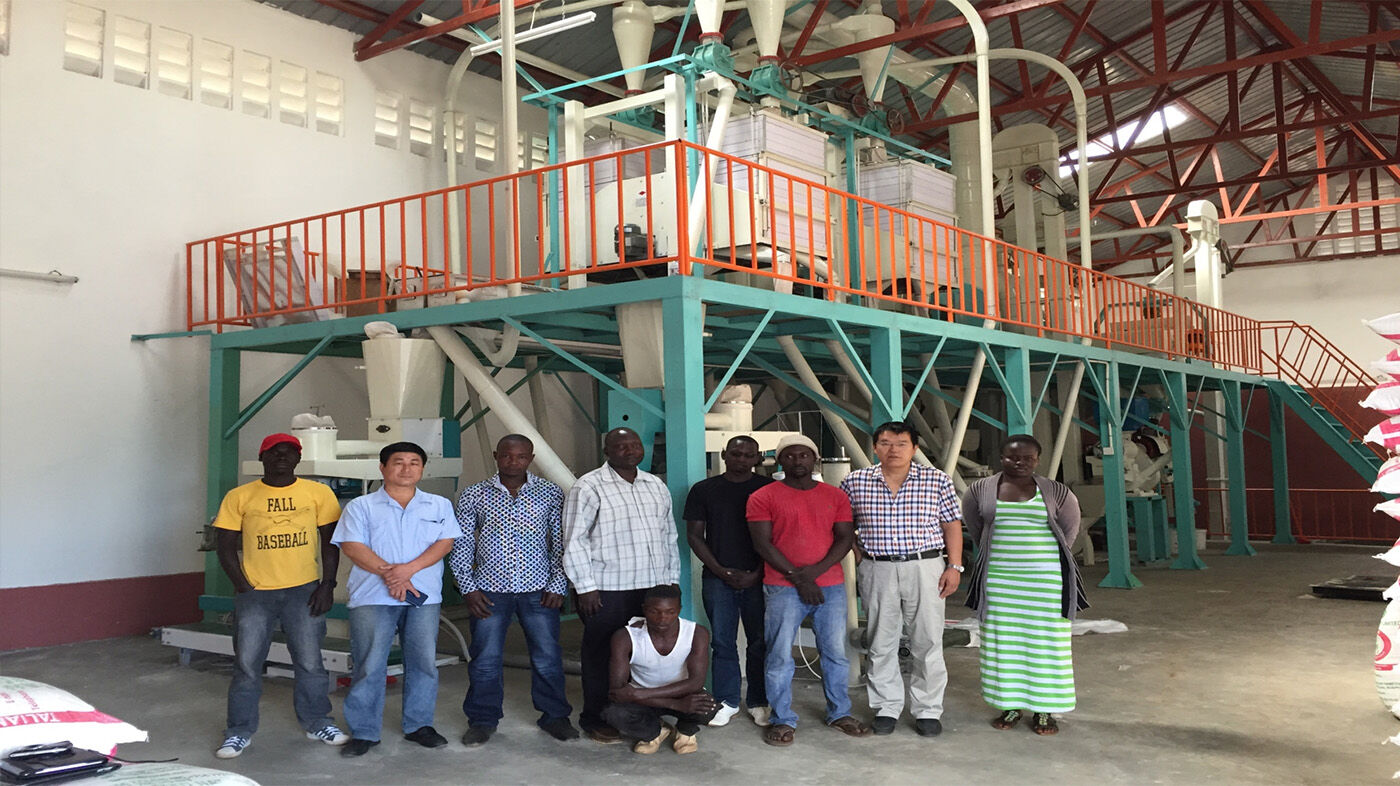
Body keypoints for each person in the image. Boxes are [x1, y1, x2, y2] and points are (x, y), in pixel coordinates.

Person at [213, 433, 348, 759]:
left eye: (289, 452)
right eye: (274, 452)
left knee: (311, 662)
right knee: (246, 665)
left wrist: (327, 585)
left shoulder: (318, 493)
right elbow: (225, 544)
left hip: (304, 590)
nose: (282, 457)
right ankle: (238, 732)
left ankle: (318, 722)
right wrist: (242, 585)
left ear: (298, 459)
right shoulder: (240, 496)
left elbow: (330, 542)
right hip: (256, 593)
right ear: (262, 458)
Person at [332, 442, 459, 757]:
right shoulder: (361, 506)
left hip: (423, 597)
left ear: (422, 469)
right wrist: (392, 575)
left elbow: (445, 543)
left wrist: (408, 571)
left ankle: (419, 725)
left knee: (423, 662)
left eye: (414, 462)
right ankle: (364, 731)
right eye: (398, 462)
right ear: (382, 468)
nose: (406, 468)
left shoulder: (438, 505)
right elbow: (352, 546)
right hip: (373, 596)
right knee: (369, 663)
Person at [450, 434, 577, 746]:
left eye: (521, 457)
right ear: (496, 455)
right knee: (485, 658)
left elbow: (561, 543)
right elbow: (462, 543)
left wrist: (558, 583)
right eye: (507, 456)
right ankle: (482, 719)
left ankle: (555, 716)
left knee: (547, 656)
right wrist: (467, 588)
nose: (513, 462)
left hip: (539, 590)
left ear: (530, 458)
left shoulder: (550, 493)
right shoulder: (474, 494)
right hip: (489, 590)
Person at [840, 421, 963, 738]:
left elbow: (951, 525)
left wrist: (955, 566)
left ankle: (928, 710)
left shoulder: (936, 480)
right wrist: (858, 553)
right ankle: (886, 707)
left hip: (925, 566)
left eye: (901, 444)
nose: (893, 450)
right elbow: (842, 524)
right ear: (875, 447)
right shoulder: (855, 482)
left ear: (915, 448)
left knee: (928, 640)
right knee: (881, 640)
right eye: (885, 443)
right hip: (877, 568)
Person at [747, 434, 871, 747]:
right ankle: (782, 719)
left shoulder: (835, 496)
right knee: (778, 655)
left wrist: (813, 574)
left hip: (829, 587)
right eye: (790, 456)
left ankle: (839, 712)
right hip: (781, 587)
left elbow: (844, 538)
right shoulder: (764, 496)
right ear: (780, 460)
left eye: (804, 455)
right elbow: (762, 543)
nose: (797, 461)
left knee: (835, 654)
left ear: (814, 459)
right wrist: (800, 579)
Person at [961, 434, 1087, 736]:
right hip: (1001, 581)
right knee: (1003, 643)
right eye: (1012, 457)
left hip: (1045, 583)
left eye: (1027, 457)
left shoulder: (1056, 491)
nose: (1019, 462)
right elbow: (976, 529)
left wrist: (1038, 560)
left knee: (1047, 643)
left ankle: (1045, 710)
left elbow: (1069, 532)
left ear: (1038, 460)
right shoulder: (980, 490)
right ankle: (1011, 705)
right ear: (1001, 458)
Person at [563, 427, 680, 744]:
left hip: (652, 589)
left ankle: (639, 715)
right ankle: (595, 717)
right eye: (620, 445)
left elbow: (669, 537)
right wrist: (584, 587)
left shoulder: (655, 486)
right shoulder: (588, 487)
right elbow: (574, 540)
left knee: (646, 656)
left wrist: (671, 582)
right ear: (607, 451)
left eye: (634, 444)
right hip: (608, 588)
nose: (629, 450)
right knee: (602, 655)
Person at [683, 435, 773, 728]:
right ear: (724, 454)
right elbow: (695, 536)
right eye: (736, 454)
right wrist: (721, 570)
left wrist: (758, 572)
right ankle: (728, 701)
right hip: (717, 578)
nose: (741, 460)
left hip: (759, 577)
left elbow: (777, 537)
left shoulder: (768, 489)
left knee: (759, 642)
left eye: (748, 455)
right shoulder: (704, 490)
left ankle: (759, 700)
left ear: (757, 458)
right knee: (722, 642)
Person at [602, 585, 717, 754]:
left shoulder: (697, 633)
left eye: (670, 612)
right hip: (642, 699)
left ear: (679, 609)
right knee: (613, 713)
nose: (662, 618)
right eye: (654, 611)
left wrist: (641, 694)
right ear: (644, 609)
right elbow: (617, 692)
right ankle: (654, 732)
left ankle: (685, 731)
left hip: (670, 693)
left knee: (709, 706)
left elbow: (696, 682)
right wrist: (675, 704)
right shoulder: (625, 637)